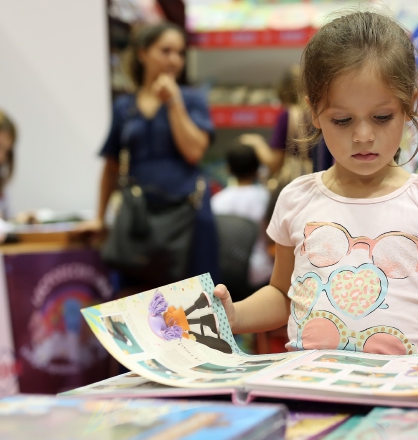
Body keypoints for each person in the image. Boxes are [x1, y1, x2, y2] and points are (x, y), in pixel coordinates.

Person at [213, 11, 418, 356]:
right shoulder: (297, 198)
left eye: (382, 117)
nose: (363, 136)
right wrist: (235, 314)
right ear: (313, 112)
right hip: (310, 391)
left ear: (410, 105)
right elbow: (282, 295)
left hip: (400, 397)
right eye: (342, 120)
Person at [95, 22, 219, 290]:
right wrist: (99, 218)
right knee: (138, 301)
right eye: (166, 51)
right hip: (139, 218)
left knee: (197, 303)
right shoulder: (124, 106)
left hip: (189, 213)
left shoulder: (192, 99)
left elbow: (194, 152)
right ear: (143, 53)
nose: (174, 60)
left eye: (180, 53)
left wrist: (173, 101)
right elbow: (111, 167)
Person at [210, 141, 274, 287]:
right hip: (261, 273)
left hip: (225, 275)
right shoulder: (266, 198)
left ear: (228, 169)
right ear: (258, 168)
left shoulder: (216, 201)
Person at [239, 65, 312, 189]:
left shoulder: (287, 115)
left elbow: (274, 163)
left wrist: (257, 143)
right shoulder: (314, 112)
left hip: (295, 185)